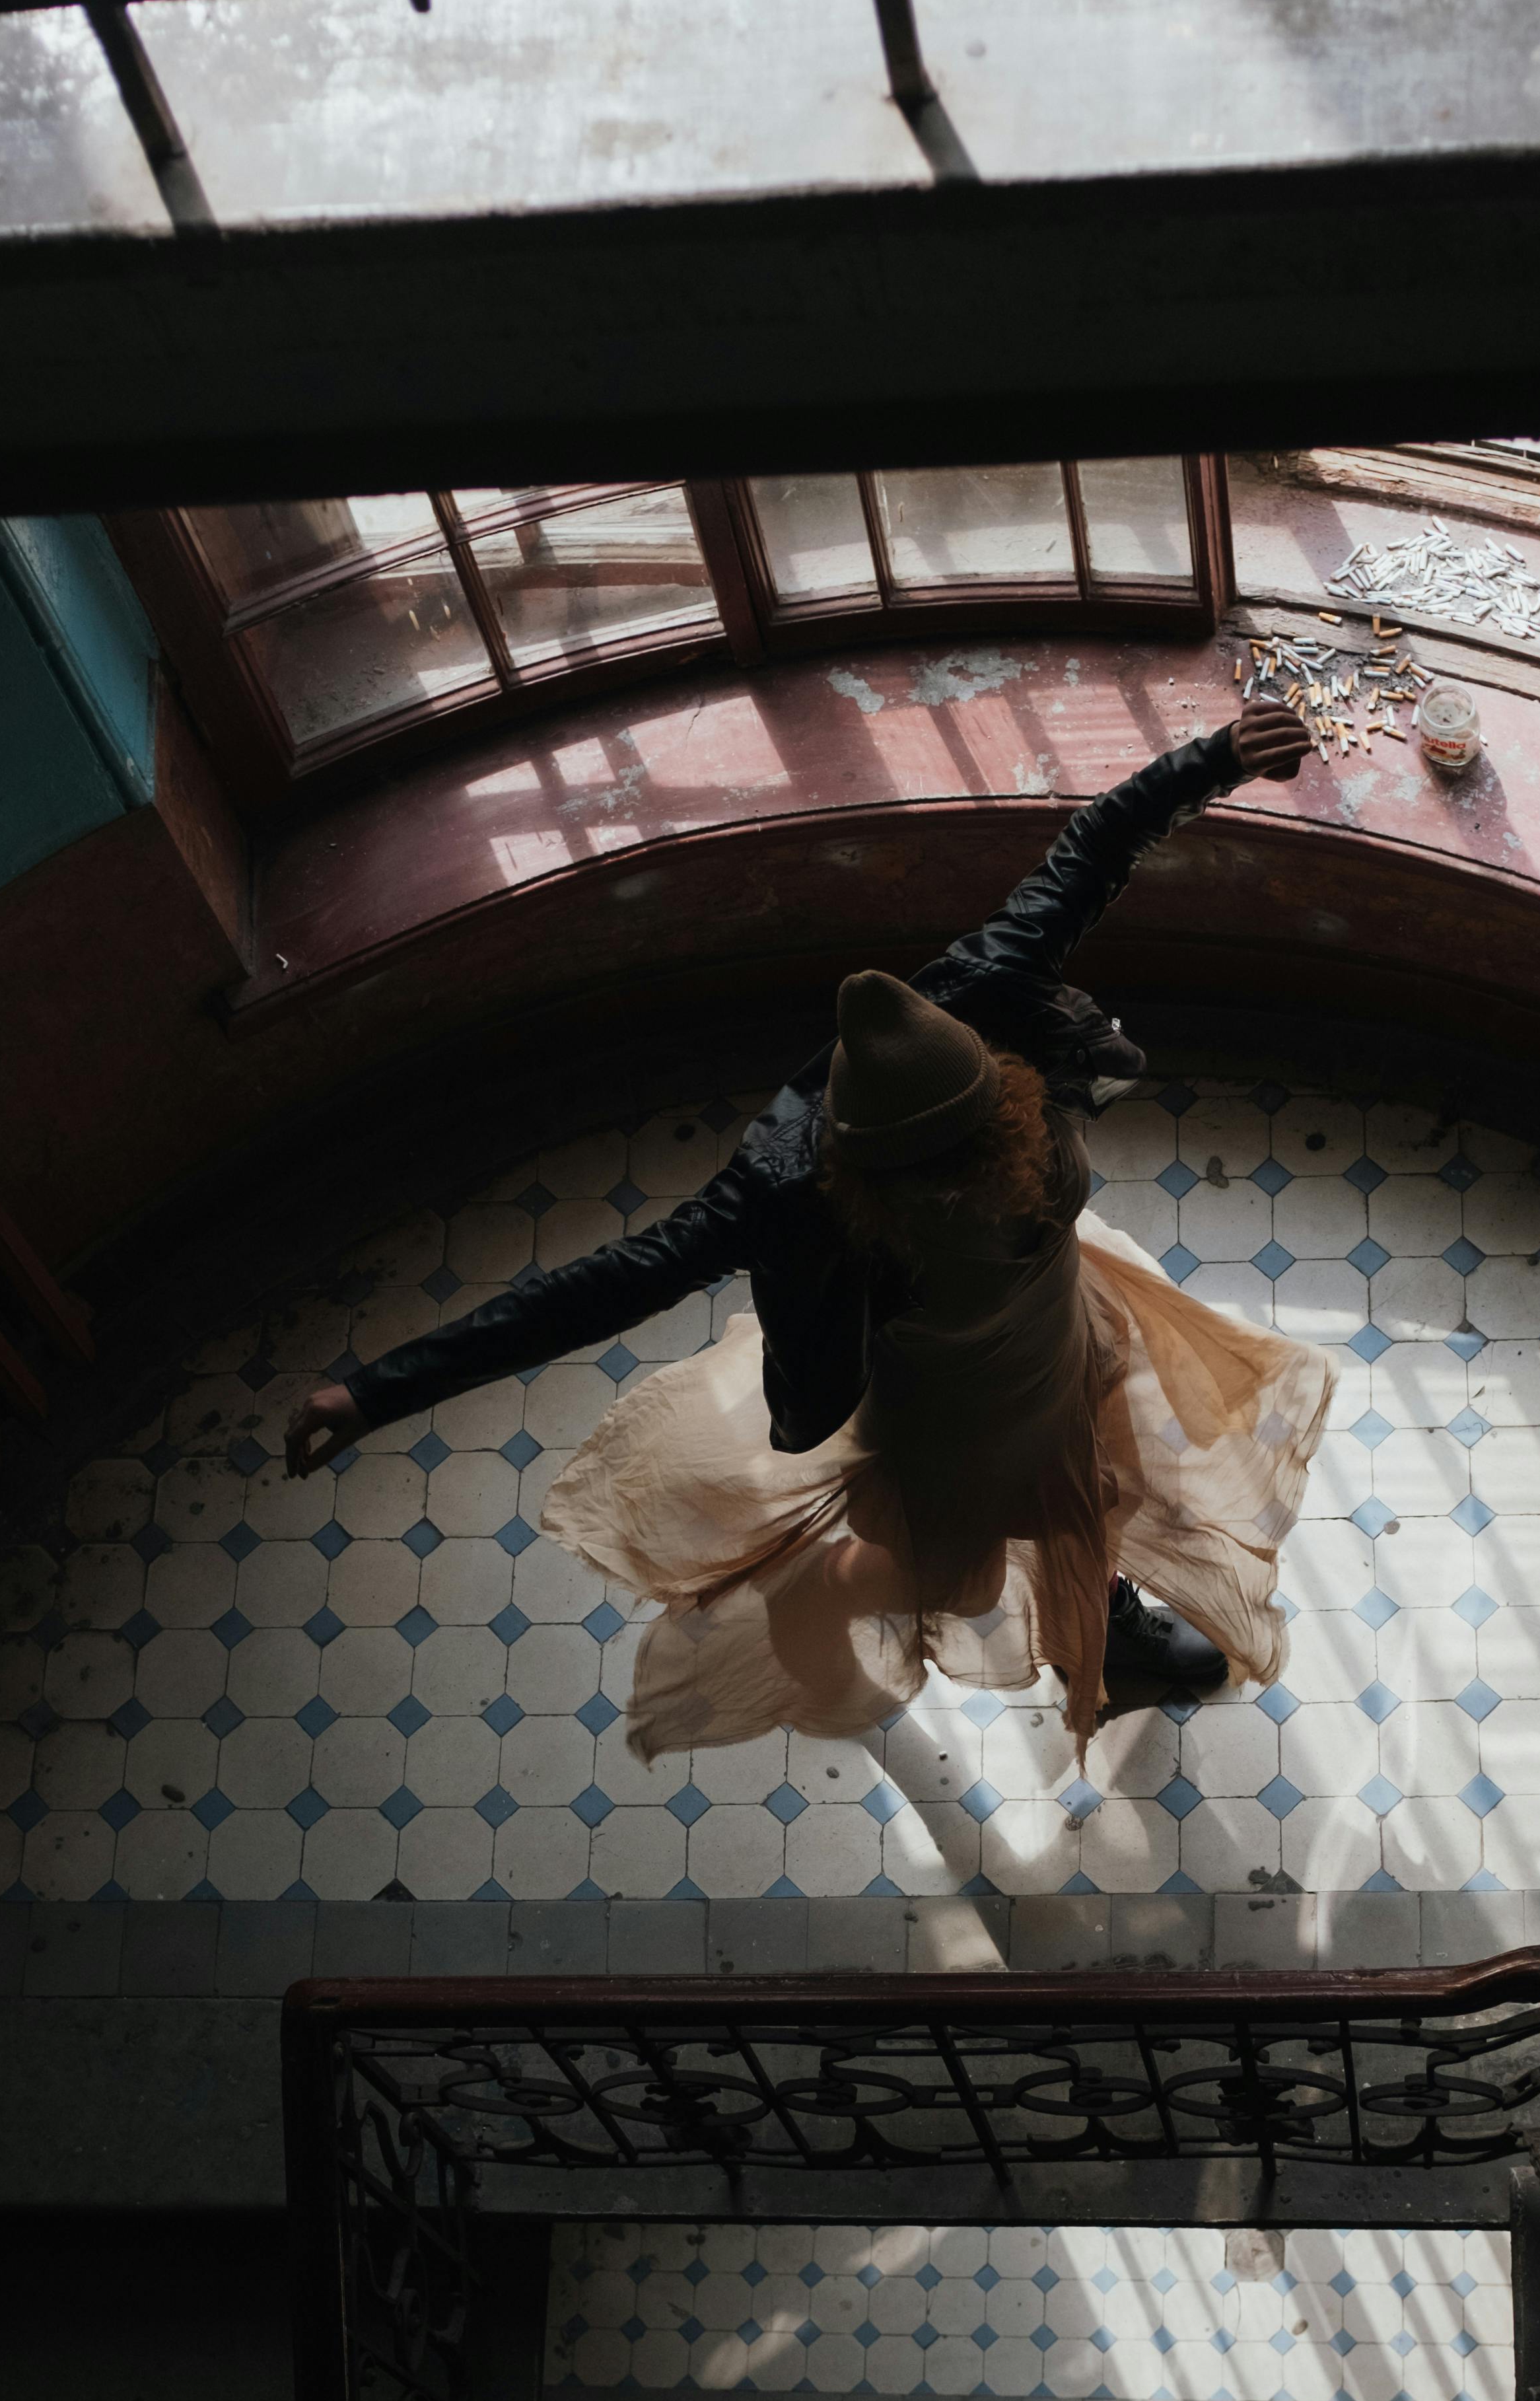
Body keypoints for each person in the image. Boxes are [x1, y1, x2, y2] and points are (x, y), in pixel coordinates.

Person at [285, 703, 1332, 1760]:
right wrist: (375, 1390)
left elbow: (1089, 851)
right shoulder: (780, 1193)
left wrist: (1212, 759)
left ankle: (1099, 1624)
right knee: (954, 1561)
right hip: (944, 1405)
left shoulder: (979, 994)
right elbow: (600, 1287)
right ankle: (814, 1617)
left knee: (1095, 1484)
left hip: (1059, 1327)